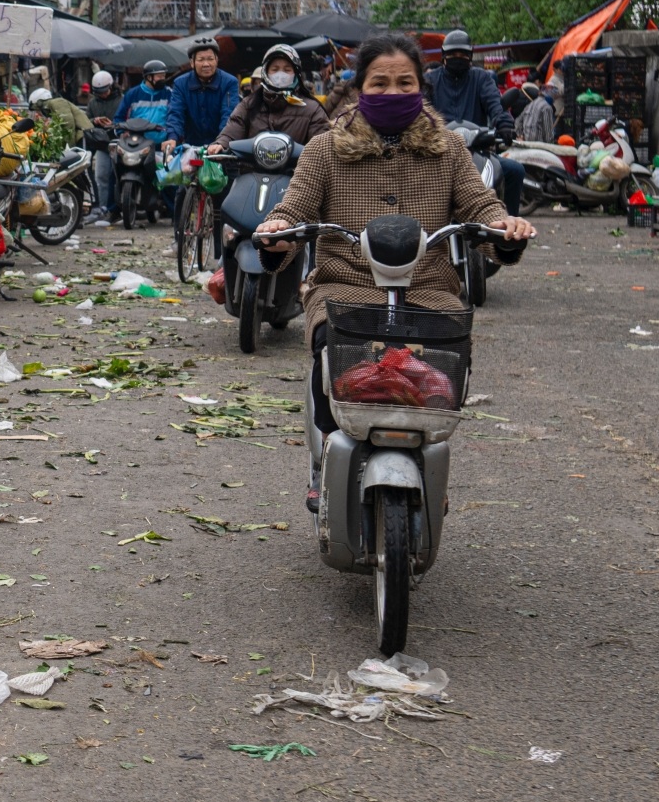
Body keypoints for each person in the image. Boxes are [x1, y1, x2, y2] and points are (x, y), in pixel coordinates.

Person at [254, 33, 536, 507]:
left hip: (429, 290)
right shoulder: (325, 148)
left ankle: (426, 453)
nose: (392, 92)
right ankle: (327, 452)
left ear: (421, 89)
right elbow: (296, 205)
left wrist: (503, 227)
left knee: (441, 367)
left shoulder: (447, 149)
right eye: (379, 82)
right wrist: (279, 228)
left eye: (405, 82)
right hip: (344, 286)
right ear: (360, 87)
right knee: (330, 349)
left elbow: (480, 204)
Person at [424, 29, 525, 216]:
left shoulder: (481, 78)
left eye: (462, 54)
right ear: (444, 56)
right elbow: (421, 110)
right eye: (453, 54)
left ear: (470, 56)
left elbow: (496, 105)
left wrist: (504, 124)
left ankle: (507, 230)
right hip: (437, 151)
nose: (458, 57)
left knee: (515, 171)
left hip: (477, 151)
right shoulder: (430, 80)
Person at [210, 43, 330, 149]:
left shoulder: (312, 109)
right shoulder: (249, 104)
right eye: (275, 69)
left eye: (287, 70)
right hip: (253, 172)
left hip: (297, 173)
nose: (280, 74)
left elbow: (321, 144)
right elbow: (235, 127)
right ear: (266, 72)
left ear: (296, 73)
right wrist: (222, 143)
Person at [161, 37, 241, 156]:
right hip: (191, 147)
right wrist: (172, 137)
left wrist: (221, 141)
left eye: (210, 59)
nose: (206, 64)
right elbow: (176, 113)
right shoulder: (181, 84)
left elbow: (229, 114)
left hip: (221, 148)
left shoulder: (229, 82)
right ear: (192, 63)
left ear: (216, 60)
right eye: (201, 59)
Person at [84, 70, 119, 225]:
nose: (102, 95)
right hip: (101, 144)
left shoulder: (120, 100)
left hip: (118, 142)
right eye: (99, 92)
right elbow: (86, 119)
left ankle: (116, 208)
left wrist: (113, 124)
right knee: (101, 177)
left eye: (104, 91)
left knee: (116, 177)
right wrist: (95, 120)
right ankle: (103, 208)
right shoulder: (93, 103)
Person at [115, 58, 173, 126]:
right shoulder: (132, 94)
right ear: (149, 77)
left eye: (164, 76)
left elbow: (175, 116)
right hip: (136, 135)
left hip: (163, 136)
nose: (163, 79)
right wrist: (122, 132)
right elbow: (119, 117)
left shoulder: (169, 93)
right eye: (159, 76)